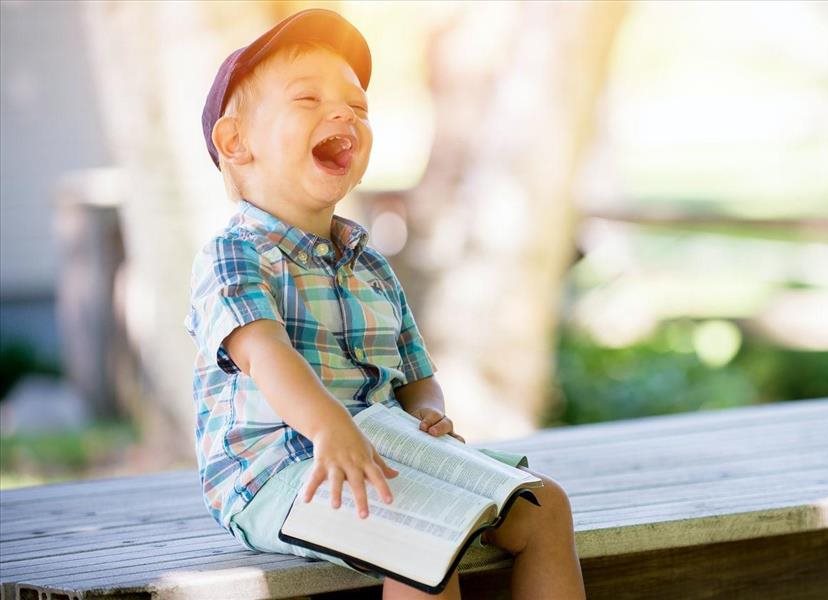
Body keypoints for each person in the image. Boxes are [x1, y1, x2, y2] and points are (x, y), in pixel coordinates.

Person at [184, 9, 585, 599]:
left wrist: (428, 412)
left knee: (545, 505)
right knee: (424, 535)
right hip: (277, 472)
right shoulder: (234, 255)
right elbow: (265, 355)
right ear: (235, 141)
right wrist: (331, 427)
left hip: (387, 448)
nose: (343, 113)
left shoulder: (369, 262)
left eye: (358, 105)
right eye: (308, 98)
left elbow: (416, 374)